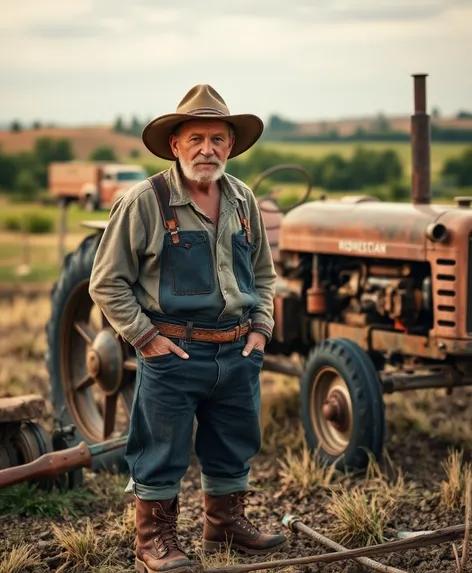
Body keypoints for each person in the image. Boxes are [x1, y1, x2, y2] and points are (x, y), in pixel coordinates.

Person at [89, 84, 288, 573]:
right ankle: (154, 540)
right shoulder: (145, 202)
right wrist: (146, 339)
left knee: (234, 441)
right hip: (172, 352)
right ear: (175, 144)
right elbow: (106, 282)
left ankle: (225, 525)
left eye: (218, 138)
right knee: (161, 449)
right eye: (196, 138)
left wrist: (260, 329)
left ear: (231, 145)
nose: (208, 149)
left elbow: (263, 274)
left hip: (238, 350)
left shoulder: (243, 199)